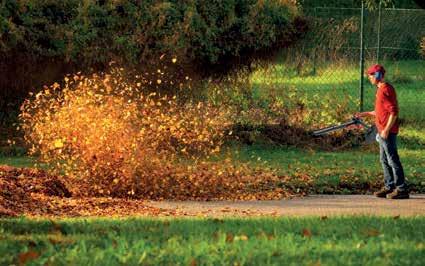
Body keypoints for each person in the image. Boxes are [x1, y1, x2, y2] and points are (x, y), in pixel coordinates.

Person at [356, 64, 409, 199]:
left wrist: (386, 129)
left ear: (378, 75)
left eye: (371, 75)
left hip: (387, 131)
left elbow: (393, 112)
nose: (369, 78)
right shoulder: (381, 89)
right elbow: (381, 111)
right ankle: (389, 186)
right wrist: (365, 114)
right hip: (382, 131)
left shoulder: (385, 89)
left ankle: (401, 189)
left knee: (392, 159)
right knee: (384, 159)